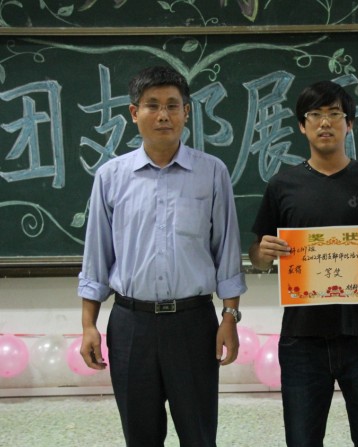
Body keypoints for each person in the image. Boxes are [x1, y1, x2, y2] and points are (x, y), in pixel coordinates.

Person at [77, 65, 247, 447]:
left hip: (193, 324)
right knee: (140, 437)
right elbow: (96, 257)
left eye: (172, 105)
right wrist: (89, 325)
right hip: (130, 324)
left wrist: (230, 316)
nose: (163, 115)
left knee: (199, 435)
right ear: (134, 112)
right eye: (152, 105)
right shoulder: (111, 176)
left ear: (186, 112)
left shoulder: (212, 173)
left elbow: (227, 251)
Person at [248, 80, 358, 447]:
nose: (325, 123)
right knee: (302, 440)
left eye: (335, 114)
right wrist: (263, 253)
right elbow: (257, 257)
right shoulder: (282, 185)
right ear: (301, 125)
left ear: (349, 124)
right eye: (315, 115)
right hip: (302, 337)